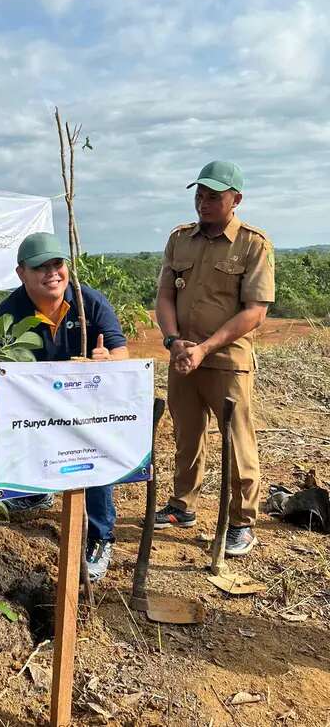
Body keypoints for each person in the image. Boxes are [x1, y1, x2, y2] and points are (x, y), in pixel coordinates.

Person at [0, 232, 129, 581]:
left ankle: (100, 536)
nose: (52, 273)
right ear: (22, 273)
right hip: (38, 406)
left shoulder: (90, 303)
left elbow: (120, 352)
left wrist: (106, 360)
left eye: (58, 264)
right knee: (19, 425)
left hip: (86, 407)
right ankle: (33, 493)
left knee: (90, 461)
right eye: (41, 267)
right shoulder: (9, 313)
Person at [154, 161, 275, 556]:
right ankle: (182, 506)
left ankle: (242, 521)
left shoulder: (253, 244)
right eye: (199, 195)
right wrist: (174, 342)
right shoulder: (180, 239)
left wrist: (205, 347)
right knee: (186, 435)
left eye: (213, 197)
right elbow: (166, 296)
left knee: (237, 441)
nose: (203, 203)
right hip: (182, 357)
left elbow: (255, 311)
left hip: (227, 360)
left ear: (235, 199)